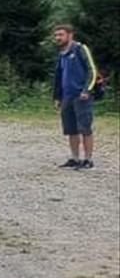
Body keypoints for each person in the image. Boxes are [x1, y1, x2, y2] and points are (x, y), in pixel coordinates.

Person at [52, 24, 100, 170]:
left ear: (70, 35)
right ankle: (75, 158)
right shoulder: (62, 53)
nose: (58, 38)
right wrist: (57, 96)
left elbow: (92, 70)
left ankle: (88, 160)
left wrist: (87, 90)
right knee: (71, 129)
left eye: (61, 34)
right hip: (67, 96)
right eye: (56, 35)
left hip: (82, 96)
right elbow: (59, 76)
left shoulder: (80, 49)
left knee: (85, 128)